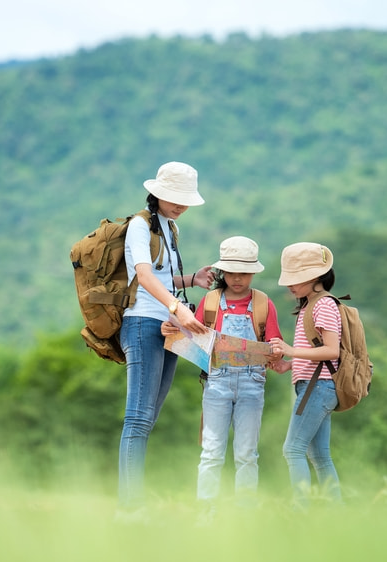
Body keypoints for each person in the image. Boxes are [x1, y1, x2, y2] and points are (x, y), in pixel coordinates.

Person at [116, 161, 215, 521]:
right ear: (157, 194)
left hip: (171, 327)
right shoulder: (140, 226)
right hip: (143, 323)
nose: (181, 205)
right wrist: (177, 306)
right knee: (137, 418)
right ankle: (129, 508)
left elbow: (163, 274)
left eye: (185, 200)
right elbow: (142, 275)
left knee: (149, 417)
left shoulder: (168, 228)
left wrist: (191, 279)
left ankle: (133, 504)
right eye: (175, 198)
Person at [163, 236, 287, 522]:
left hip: (252, 383)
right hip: (216, 381)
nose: (238, 278)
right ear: (222, 272)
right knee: (211, 451)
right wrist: (173, 330)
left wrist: (277, 353)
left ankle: (245, 513)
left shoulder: (262, 304)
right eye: (231, 272)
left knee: (247, 453)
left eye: (244, 272)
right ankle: (206, 512)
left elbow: (274, 341)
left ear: (253, 272)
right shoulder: (210, 302)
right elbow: (193, 336)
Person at [269, 242, 343, 509]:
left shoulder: (323, 305)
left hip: (319, 387)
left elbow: (331, 350)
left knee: (293, 449)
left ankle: (302, 511)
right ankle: (336, 513)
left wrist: (289, 349)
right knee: (319, 455)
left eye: (296, 279)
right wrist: (290, 364)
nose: (290, 285)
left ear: (315, 277)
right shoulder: (310, 305)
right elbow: (315, 352)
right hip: (315, 385)